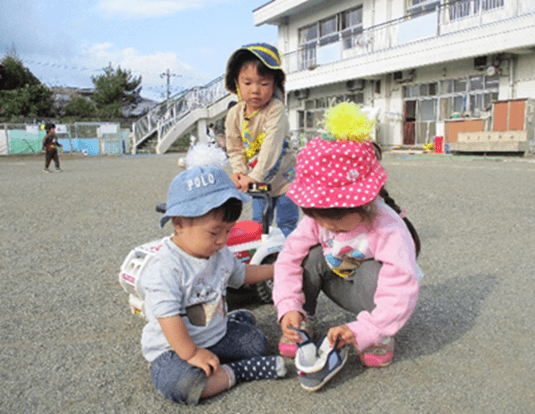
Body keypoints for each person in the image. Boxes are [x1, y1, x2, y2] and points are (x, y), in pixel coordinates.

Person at [272, 102, 423, 369]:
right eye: (324, 223)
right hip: (341, 281)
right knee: (311, 256)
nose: (331, 230)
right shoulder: (317, 219)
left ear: (365, 202)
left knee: (370, 271)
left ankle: (381, 334)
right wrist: (288, 306)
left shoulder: (386, 225)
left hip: (377, 296)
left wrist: (368, 330)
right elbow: (287, 260)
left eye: (339, 227)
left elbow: (401, 284)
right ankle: (301, 320)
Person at [138, 160, 286, 405]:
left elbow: (242, 275)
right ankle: (240, 372)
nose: (222, 241)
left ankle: (232, 323)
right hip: (174, 348)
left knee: (256, 343)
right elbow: (169, 318)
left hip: (214, 333)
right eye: (214, 232)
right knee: (182, 385)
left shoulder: (219, 253)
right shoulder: (166, 267)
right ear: (179, 224)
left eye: (228, 231)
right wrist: (192, 353)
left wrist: (275, 270)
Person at [224, 42, 299, 237]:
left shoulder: (275, 109)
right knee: (258, 224)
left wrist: (254, 176)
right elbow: (234, 147)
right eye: (247, 83)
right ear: (236, 83)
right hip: (256, 181)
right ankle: (262, 261)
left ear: (275, 84)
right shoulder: (234, 114)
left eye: (264, 83)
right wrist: (239, 171)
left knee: (286, 223)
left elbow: (272, 146)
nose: (255, 90)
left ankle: (287, 261)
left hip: (284, 180)